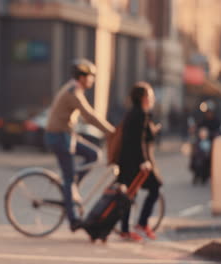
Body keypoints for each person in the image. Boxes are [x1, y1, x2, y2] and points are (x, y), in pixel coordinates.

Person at [44, 58, 115, 232]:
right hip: (59, 137)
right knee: (68, 179)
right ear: (82, 77)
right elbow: (89, 116)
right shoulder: (73, 92)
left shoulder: (74, 88)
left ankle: (72, 187)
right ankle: (73, 219)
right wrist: (112, 132)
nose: (92, 80)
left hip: (67, 136)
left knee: (94, 155)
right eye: (91, 76)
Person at [117, 82, 162, 242]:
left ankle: (127, 229)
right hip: (137, 163)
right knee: (152, 188)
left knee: (131, 194)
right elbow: (137, 141)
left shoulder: (134, 113)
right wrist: (143, 161)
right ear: (143, 97)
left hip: (129, 161)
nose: (152, 98)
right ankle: (138, 225)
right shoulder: (140, 114)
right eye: (150, 95)